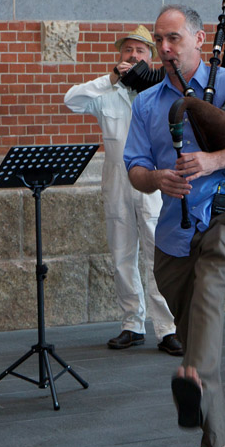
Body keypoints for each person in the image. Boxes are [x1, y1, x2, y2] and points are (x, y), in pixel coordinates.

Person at [124, 5, 225, 447]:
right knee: (194, 327)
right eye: (160, 40)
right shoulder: (146, 103)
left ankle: (192, 371)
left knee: (209, 296)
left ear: (200, 39)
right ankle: (219, 436)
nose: (165, 48)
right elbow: (134, 168)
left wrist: (214, 161)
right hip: (174, 229)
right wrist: (158, 179)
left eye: (174, 38)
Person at [64, 25, 182, 355]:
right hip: (116, 182)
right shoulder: (107, 94)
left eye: (140, 51)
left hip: (153, 182)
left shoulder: (160, 92)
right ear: (120, 57)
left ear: (150, 56)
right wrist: (111, 79)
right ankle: (132, 323)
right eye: (127, 50)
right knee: (121, 256)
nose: (133, 56)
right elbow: (71, 100)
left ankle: (167, 328)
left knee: (159, 255)